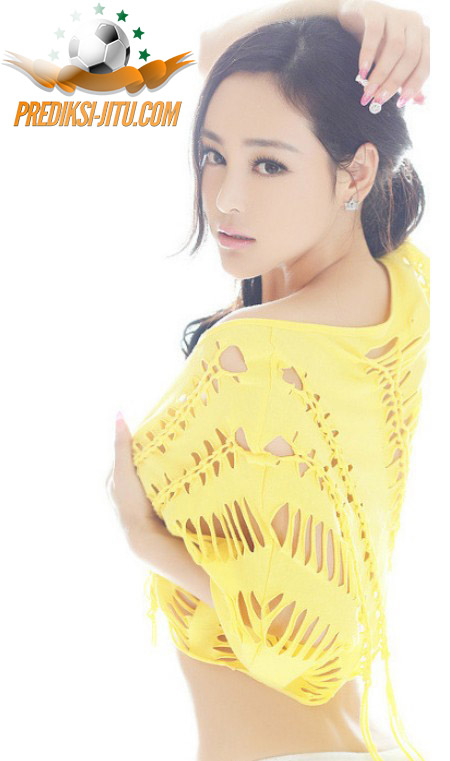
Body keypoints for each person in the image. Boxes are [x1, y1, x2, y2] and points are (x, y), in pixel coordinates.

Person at [108, 2, 430, 760]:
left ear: (357, 172)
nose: (225, 198)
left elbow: (299, 642)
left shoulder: (256, 353)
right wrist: (349, 13)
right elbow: (220, 48)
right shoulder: (397, 287)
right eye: (212, 154)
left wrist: (144, 537)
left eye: (269, 165)